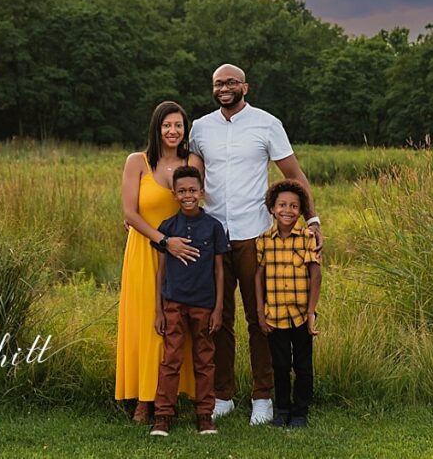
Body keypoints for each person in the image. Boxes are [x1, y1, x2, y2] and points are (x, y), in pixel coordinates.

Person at [188, 63, 322, 425]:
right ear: (212, 88)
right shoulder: (200, 129)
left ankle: (262, 396)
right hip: (213, 235)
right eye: (218, 83)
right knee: (219, 319)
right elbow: (192, 179)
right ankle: (222, 394)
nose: (224, 88)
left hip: (253, 236)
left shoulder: (267, 123)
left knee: (260, 318)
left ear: (245, 86)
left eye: (231, 82)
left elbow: (293, 176)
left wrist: (311, 219)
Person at [115, 101, 203, 422]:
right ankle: (143, 398)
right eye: (167, 125)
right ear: (156, 128)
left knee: (178, 324)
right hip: (145, 251)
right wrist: (163, 240)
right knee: (145, 324)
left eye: (178, 125)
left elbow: (195, 201)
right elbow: (130, 213)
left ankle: (172, 394)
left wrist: (180, 243)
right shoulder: (136, 162)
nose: (173, 131)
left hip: (182, 253)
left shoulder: (191, 161)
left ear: (185, 130)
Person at [149, 166, 229, 437]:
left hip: (204, 305)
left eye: (192, 190)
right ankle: (163, 416)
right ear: (174, 194)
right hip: (173, 303)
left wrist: (219, 308)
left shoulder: (214, 228)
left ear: (202, 192)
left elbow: (219, 270)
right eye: (182, 191)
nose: (187, 195)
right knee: (170, 359)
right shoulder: (167, 229)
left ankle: (205, 416)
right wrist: (158, 309)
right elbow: (161, 271)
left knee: (205, 360)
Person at [256, 179, 321, 428]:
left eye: (294, 206)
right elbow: (257, 277)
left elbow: (316, 274)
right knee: (280, 366)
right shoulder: (263, 241)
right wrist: (260, 312)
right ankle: (282, 409)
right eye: (282, 204)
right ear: (272, 208)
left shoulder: (307, 238)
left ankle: (300, 411)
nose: (287, 210)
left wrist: (311, 311)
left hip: (301, 315)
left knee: (303, 366)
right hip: (275, 315)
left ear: (301, 210)